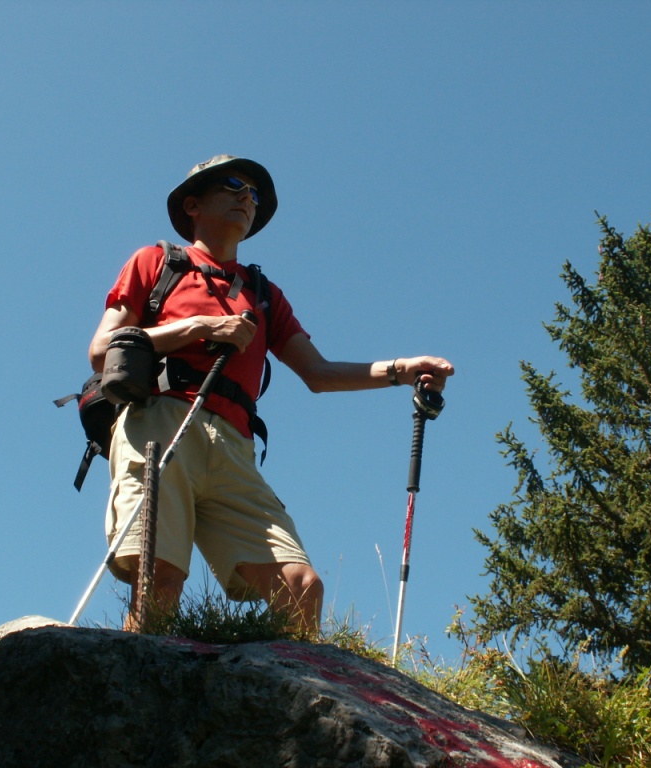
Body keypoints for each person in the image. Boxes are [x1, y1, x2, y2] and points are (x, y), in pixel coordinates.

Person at [88, 155, 454, 635]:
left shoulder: (263, 293)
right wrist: (199, 327)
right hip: (161, 422)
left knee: (302, 587)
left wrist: (401, 371)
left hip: (234, 449)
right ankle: (135, 696)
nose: (247, 198)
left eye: (255, 195)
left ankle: (291, 703)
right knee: (160, 582)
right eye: (234, 185)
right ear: (193, 204)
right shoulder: (155, 262)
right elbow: (102, 350)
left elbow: (317, 372)